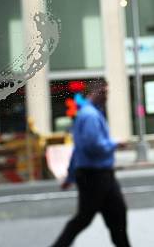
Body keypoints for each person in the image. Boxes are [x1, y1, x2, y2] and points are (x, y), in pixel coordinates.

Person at [50, 81, 131, 247]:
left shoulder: (89, 113)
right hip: (95, 176)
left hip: (99, 175)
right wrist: (116, 144)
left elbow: (77, 150)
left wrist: (70, 176)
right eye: (104, 92)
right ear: (94, 92)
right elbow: (93, 147)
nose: (106, 96)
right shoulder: (90, 116)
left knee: (116, 215)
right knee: (85, 218)